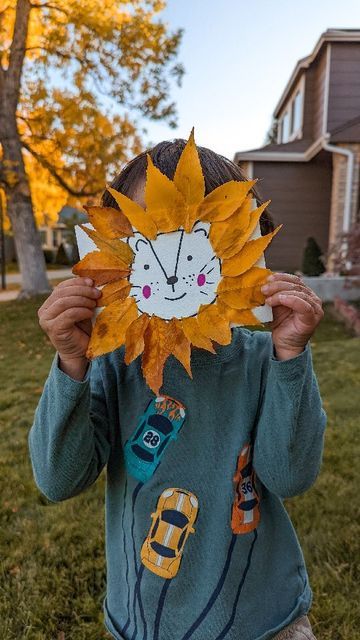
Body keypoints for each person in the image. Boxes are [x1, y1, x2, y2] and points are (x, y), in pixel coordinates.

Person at [28, 139, 326, 640]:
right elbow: (59, 479)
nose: (175, 270)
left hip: (263, 618)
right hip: (147, 617)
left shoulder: (262, 362)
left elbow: (290, 475)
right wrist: (72, 364)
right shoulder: (111, 367)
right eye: (153, 233)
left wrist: (290, 357)